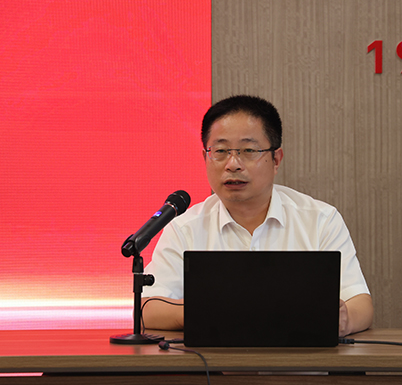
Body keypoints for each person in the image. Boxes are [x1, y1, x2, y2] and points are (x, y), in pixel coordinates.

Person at [142, 95, 373, 336]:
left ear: (276, 159)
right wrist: (212, 310)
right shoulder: (184, 228)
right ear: (205, 158)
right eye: (220, 151)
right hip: (212, 361)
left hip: (301, 359)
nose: (233, 164)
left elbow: (360, 303)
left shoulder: (320, 220)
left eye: (248, 150)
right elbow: (148, 307)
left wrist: (343, 320)